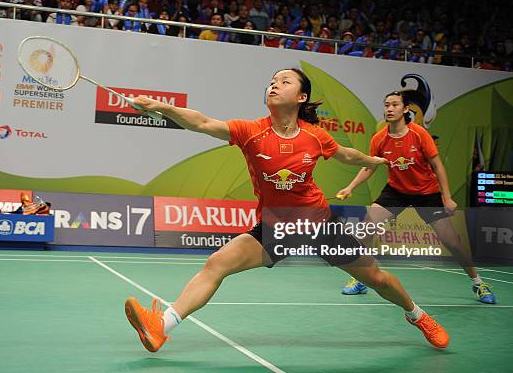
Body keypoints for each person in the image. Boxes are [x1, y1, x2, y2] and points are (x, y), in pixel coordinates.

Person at [124, 68, 450, 354]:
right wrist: (160, 106)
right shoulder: (251, 131)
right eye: (271, 81)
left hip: (320, 224)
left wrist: (372, 161)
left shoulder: (314, 136)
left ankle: (417, 315)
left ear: (301, 96)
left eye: (284, 81)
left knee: (376, 278)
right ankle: (161, 327)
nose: (274, 85)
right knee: (216, 264)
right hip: (276, 227)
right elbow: (203, 122)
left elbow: (346, 155)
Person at [336, 90, 496, 304]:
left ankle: (478, 283)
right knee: (367, 226)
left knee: (452, 241)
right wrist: (350, 187)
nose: (389, 109)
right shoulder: (379, 139)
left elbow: (437, 166)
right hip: (396, 191)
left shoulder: (419, 134)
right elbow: (369, 167)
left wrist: (446, 197)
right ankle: (364, 278)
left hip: (426, 193)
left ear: (405, 109)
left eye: (394, 105)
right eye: (386, 105)